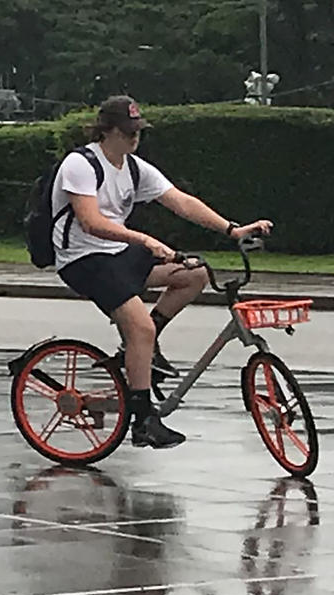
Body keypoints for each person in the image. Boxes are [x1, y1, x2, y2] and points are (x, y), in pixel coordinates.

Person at [47, 95, 270, 449]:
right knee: (140, 326)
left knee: (193, 275)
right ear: (107, 130)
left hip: (118, 252)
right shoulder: (81, 164)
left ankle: (137, 351)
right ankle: (144, 420)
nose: (135, 138)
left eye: (138, 131)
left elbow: (180, 201)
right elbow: (90, 223)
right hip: (83, 259)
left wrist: (232, 229)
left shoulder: (134, 167)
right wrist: (144, 240)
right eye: (128, 132)